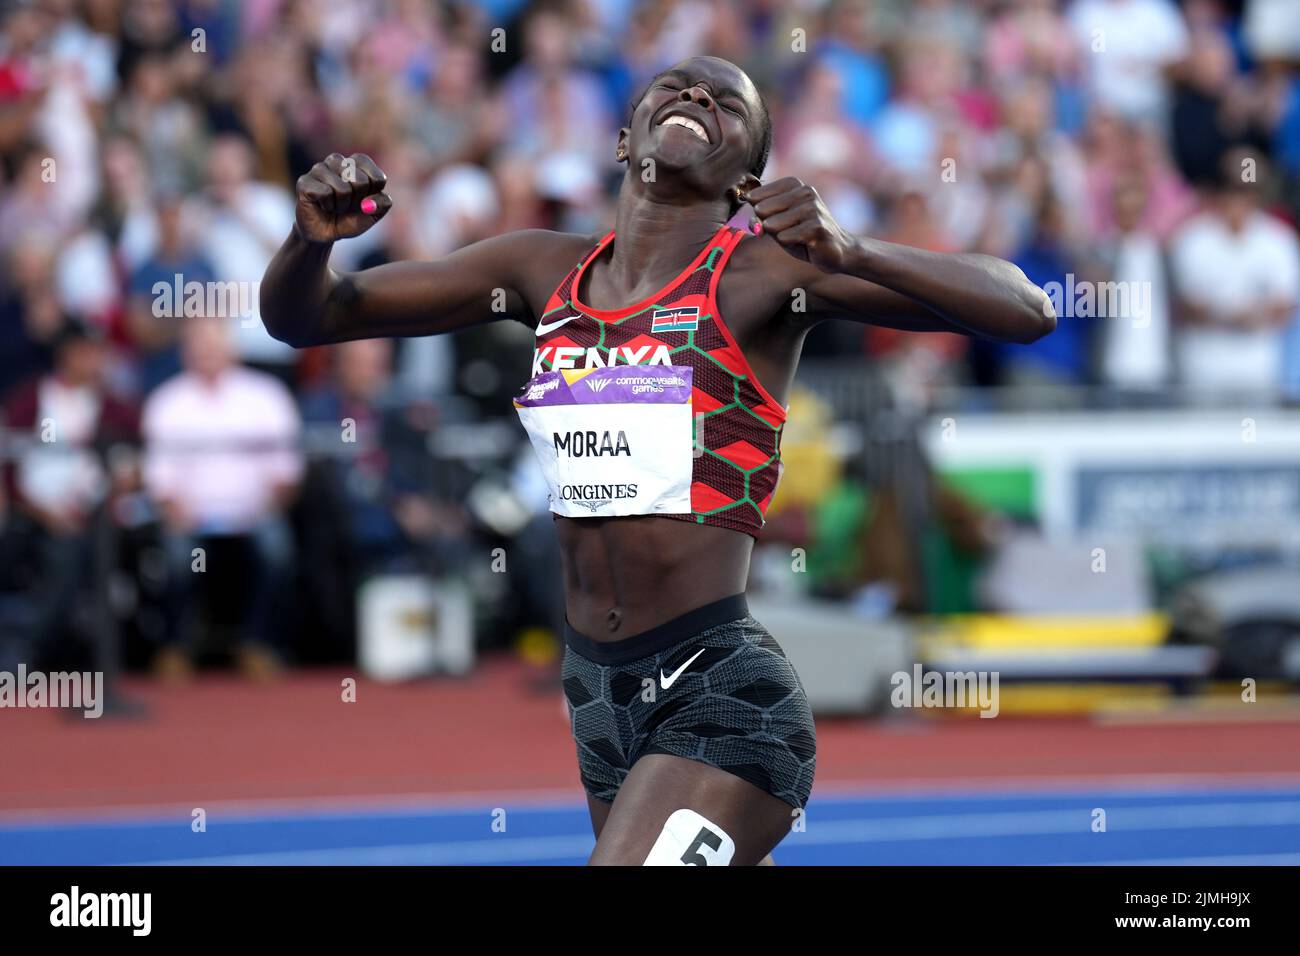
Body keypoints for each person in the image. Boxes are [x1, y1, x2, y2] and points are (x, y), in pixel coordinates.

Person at [261, 56, 1052, 866]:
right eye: (676, 87)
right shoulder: (537, 269)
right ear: (621, 138)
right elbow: (310, 316)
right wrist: (305, 240)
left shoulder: (766, 276)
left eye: (727, 104)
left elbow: (1027, 309)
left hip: (722, 693)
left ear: (748, 177)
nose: (698, 97)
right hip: (599, 697)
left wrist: (852, 253)